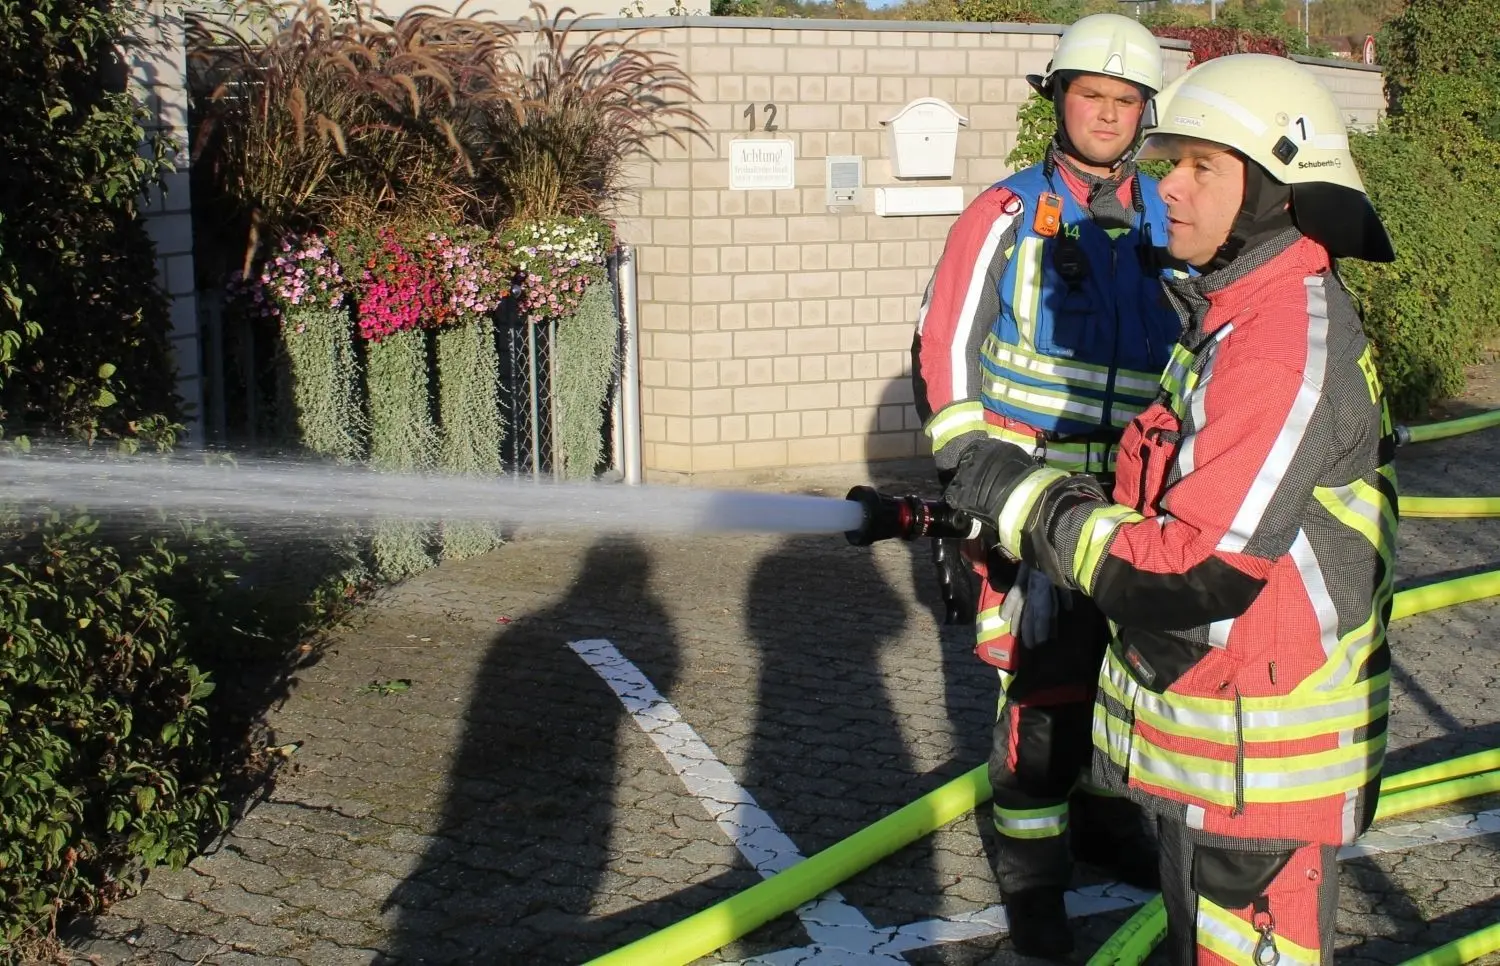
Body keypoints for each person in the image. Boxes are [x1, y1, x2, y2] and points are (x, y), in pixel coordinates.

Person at [940, 53, 1398, 965]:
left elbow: (1191, 568)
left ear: (1274, 191)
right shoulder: (1231, 313)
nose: (1169, 188)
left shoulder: (1274, 348)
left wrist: (1021, 497)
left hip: (1257, 780)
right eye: (1170, 161)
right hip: (1221, 749)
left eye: (1200, 166)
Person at [910, 12, 1182, 957]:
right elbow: (944, 349)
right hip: (1031, 504)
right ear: (1059, 102)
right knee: (1044, 697)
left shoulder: (1169, 216)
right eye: (1090, 95)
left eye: (1123, 100)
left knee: (1127, 679)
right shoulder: (1006, 213)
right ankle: (1033, 886)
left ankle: (1107, 826)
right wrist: (969, 478)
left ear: (1144, 113)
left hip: (1144, 506)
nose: (1106, 114)